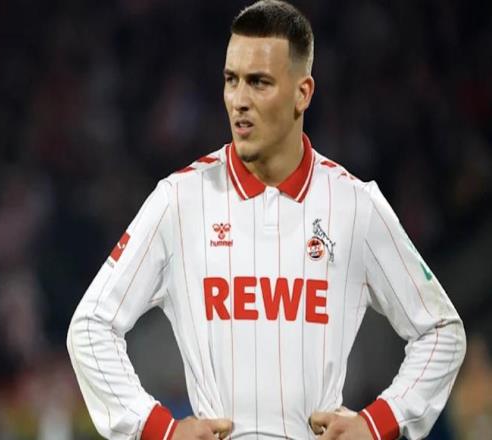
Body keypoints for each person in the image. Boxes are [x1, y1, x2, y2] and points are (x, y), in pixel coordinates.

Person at [66, 1, 466, 439]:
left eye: (259, 82)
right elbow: (90, 326)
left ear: (302, 93)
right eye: (231, 80)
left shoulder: (354, 205)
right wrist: (159, 429)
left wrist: (375, 425)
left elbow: (441, 330)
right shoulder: (179, 201)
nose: (239, 100)